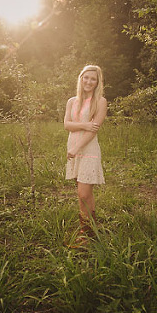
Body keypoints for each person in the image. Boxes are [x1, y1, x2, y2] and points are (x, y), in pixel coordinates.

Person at [64, 65, 107, 246]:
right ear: (81, 79)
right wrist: (84, 125)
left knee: (83, 193)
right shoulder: (71, 101)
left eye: (93, 79)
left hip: (88, 150)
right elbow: (66, 124)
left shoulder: (100, 102)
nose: (89, 81)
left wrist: (77, 149)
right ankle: (90, 230)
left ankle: (87, 232)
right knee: (84, 194)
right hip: (72, 147)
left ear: (98, 82)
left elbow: (93, 131)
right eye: (86, 77)